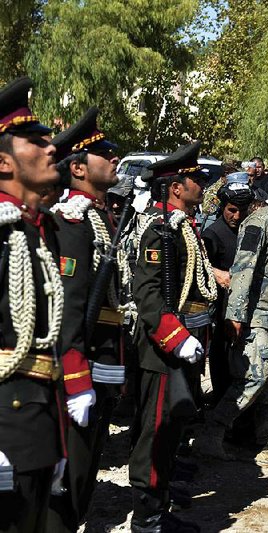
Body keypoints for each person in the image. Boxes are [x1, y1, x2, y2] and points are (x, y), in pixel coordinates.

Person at [194, 166, 268, 472]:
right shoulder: (261, 222)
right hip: (258, 321)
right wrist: (234, 315)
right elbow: (244, 270)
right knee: (250, 379)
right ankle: (212, 434)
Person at [127, 141, 217, 532]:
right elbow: (147, 293)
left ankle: (160, 501)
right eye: (195, 178)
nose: (201, 184)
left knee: (172, 428)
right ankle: (147, 518)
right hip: (161, 350)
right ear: (176, 187)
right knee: (155, 433)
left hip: (180, 343)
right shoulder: (160, 231)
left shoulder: (182, 227)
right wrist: (176, 338)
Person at [47, 107, 127, 532]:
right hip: (81, 358)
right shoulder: (71, 221)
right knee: (70, 474)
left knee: (90, 461)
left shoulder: (100, 214)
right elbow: (69, 307)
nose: (114, 159)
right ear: (78, 167)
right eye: (104, 153)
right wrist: (76, 380)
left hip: (105, 352)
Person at [0, 76, 66, 533]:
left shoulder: (27, 232)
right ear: (3, 162)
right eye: (35, 141)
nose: (50, 147)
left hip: (36, 427)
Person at [202, 181, 254, 404]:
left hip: (249, 303)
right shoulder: (213, 234)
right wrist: (218, 274)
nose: (236, 215)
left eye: (241, 210)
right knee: (222, 352)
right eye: (232, 210)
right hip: (223, 305)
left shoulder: (250, 228)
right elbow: (201, 265)